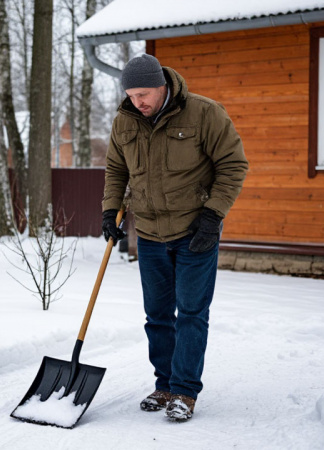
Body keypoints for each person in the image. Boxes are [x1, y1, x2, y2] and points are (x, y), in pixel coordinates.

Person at [101, 54, 248, 422]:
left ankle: (184, 391)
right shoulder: (125, 122)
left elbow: (233, 165)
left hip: (195, 231)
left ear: (163, 85)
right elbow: (116, 169)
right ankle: (164, 384)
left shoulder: (204, 113)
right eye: (132, 95)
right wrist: (109, 210)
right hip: (149, 234)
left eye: (145, 93)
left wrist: (213, 216)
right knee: (157, 316)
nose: (139, 102)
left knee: (192, 314)